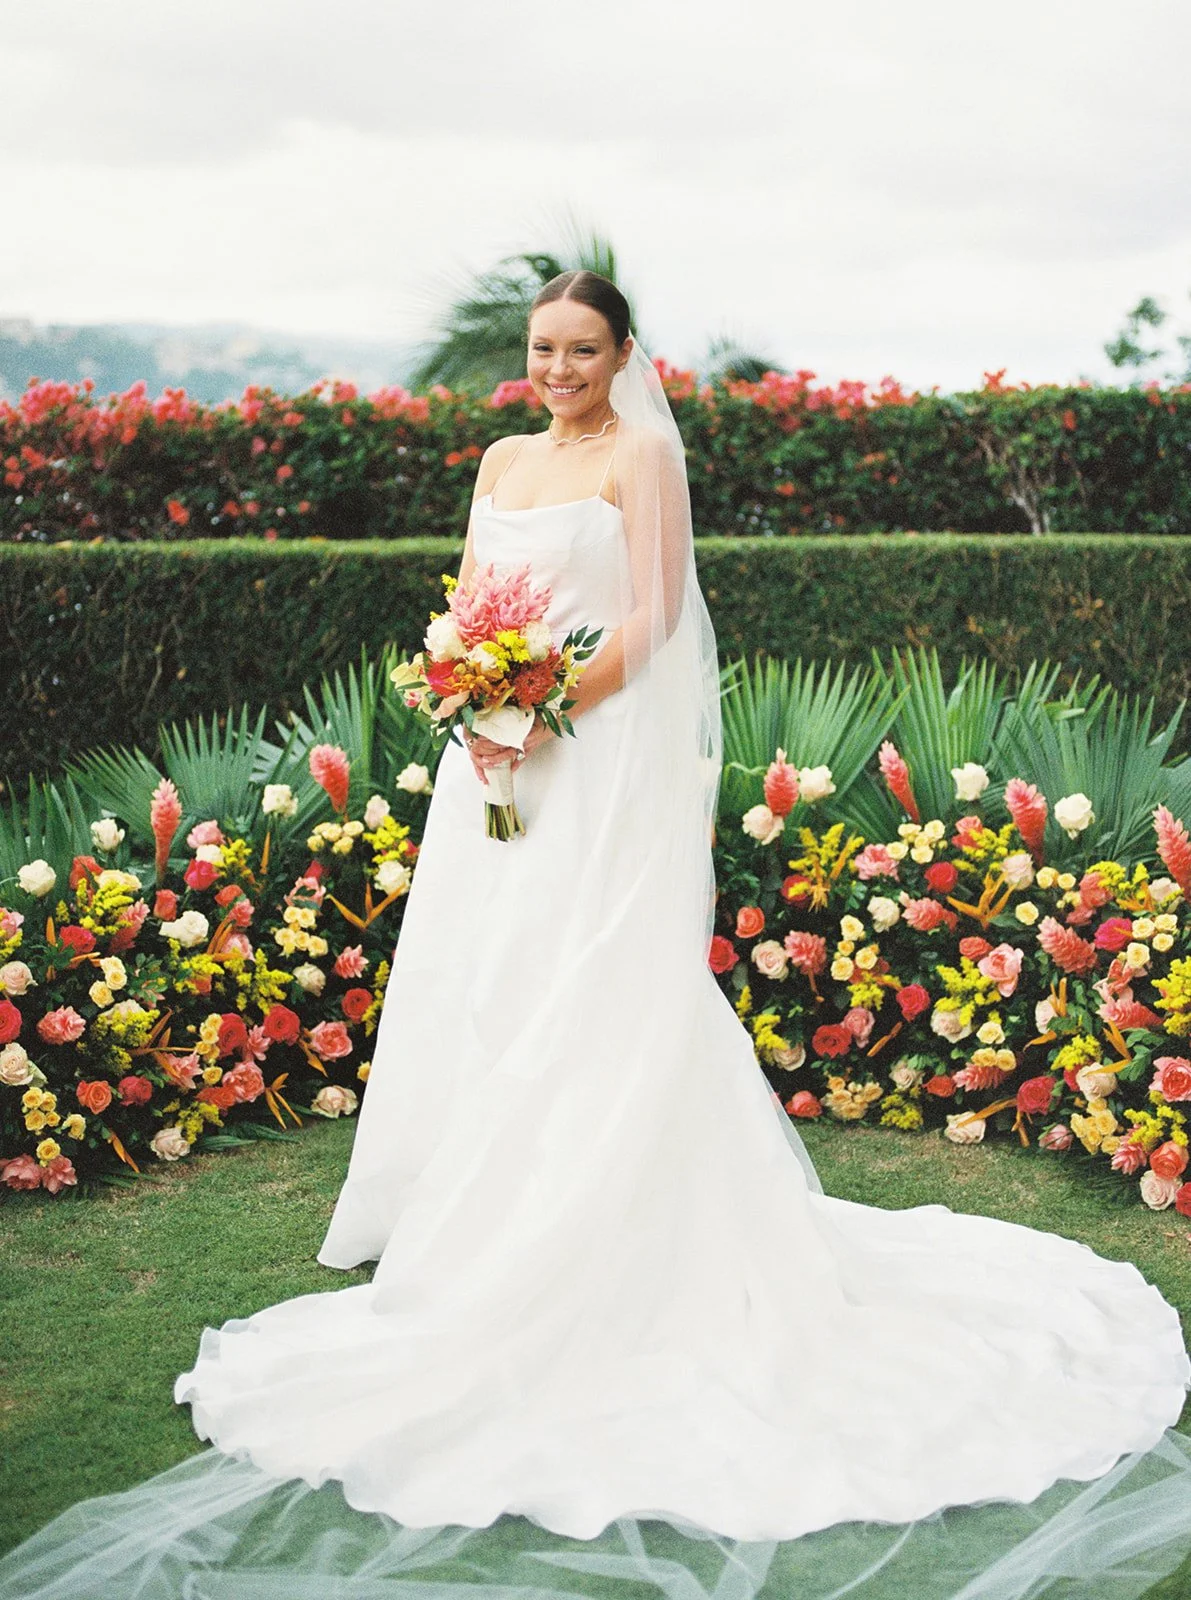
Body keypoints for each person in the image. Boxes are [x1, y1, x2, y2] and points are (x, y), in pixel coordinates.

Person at [4, 272, 1191, 1600]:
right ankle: (463, 1213)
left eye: (581, 349)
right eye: (542, 349)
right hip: (492, 758)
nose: (558, 368)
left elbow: (656, 612)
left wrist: (537, 696)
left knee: (594, 975)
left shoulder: (640, 459)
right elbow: (467, 599)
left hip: (592, 750)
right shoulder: (506, 455)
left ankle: (602, 1221)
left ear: (623, 355)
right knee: (485, 967)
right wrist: (471, 694)